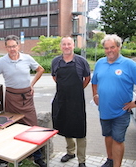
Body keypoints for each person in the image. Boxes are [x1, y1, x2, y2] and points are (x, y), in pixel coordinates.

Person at [0, 35, 46, 167]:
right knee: (11, 127)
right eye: (9, 47)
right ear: (6, 47)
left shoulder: (27, 58)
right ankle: (13, 156)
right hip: (11, 98)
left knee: (33, 126)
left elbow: (40, 69)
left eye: (14, 46)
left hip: (27, 98)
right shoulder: (1, 61)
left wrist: (32, 84)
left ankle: (37, 157)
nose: (12, 49)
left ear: (18, 46)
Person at [91, 34, 136, 167]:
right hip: (104, 110)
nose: (109, 50)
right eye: (106, 48)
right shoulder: (100, 63)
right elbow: (94, 82)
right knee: (108, 136)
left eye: (112, 47)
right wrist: (95, 95)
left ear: (119, 47)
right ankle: (110, 160)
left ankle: (117, 165)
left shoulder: (129, 64)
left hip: (121, 111)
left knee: (118, 139)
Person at [51, 36, 91, 167]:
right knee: (65, 125)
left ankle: (82, 160)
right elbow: (54, 77)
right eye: (64, 44)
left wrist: (77, 89)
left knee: (80, 129)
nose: (66, 46)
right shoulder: (55, 61)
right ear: (61, 46)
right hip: (62, 100)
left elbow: (87, 78)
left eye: (69, 44)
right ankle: (70, 152)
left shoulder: (81, 61)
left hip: (77, 101)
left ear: (73, 45)